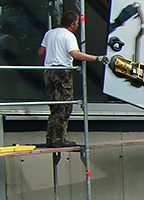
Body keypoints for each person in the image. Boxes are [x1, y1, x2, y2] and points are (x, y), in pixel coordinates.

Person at [37, 11, 107, 147]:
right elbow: (74, 54)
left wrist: (53, 50)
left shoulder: (50, 33)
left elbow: (40, 52)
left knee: (53, 106)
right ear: (73, 24)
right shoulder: (68, 36)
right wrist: (95, 58)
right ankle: (59, 139)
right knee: (64, 106)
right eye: (76, 24)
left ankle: (50, 138)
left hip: (48, 71)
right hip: (62, 71)